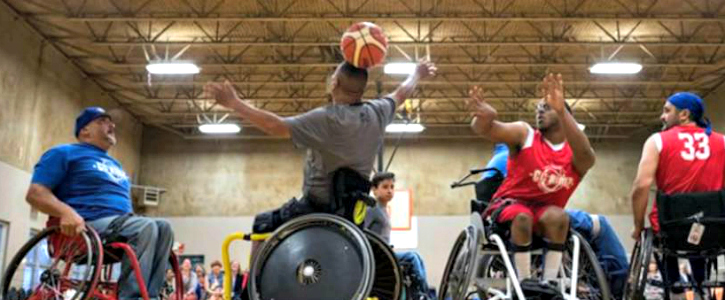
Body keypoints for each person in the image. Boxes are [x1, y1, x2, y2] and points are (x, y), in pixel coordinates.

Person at [205, 60, 436, 234]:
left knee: (262, 223)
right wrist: (417, 72)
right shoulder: (378, 111)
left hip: (314, 209)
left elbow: (274, 125)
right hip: (351, 214)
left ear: (334, 82)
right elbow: (402, 93)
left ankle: (252, 292)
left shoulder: (326, 118)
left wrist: (234, 103)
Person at [26, 107, 175, 300]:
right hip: (85, 226)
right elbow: (35, 193)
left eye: (111, 121)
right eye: (103, 121)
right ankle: (132, 297)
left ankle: (151, 295)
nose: (112, 125)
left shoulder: (116, 165)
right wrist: (66, 212)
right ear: (84, 130)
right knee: (144, 226)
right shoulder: (64, 153)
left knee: (164, 227)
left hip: (118, 227)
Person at [630, 92, 725, 296]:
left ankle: (675, 287)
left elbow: (641, 186)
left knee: (669, 232)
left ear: (684, 114)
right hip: (713, 227)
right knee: (700, 231)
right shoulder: (723, 142)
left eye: (667, 111)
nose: (662, 116)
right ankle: (702, 285)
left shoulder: (657, 141)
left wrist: (638, 226)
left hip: (670, 229)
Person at [467, 74, 596, 282]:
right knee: (523, 216)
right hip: (509, 208)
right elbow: (486, 130)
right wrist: (483, 119)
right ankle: (525, 283)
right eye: (538, 107)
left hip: (545, 216)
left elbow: (588, 155)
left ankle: (548, 283)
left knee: (559, 217)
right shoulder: (524, 134)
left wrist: (562, 110)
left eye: (546, 107)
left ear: (565, 115)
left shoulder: (576, 156)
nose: (539, 110)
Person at [363, 172, 434, 300]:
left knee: (417, 257)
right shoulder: (372, 209)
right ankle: (423, 295)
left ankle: (423, 293)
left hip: (386, 253)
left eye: (392, 187)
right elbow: (362, 232)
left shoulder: (384, 210)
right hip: (378, 257)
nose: (389, 191)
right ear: (374, 190)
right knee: (412, 257)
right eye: (385, 187)